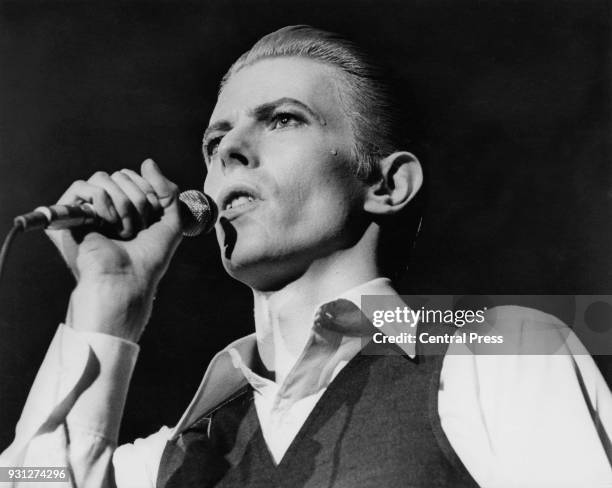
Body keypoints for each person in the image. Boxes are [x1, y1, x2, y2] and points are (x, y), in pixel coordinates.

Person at [1, 25, 611, 488]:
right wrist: (107, 307)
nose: (229, 150)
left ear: (387, 185)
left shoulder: (500, 348)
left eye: (284, 120)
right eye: (216, 139)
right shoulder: (171, 456)